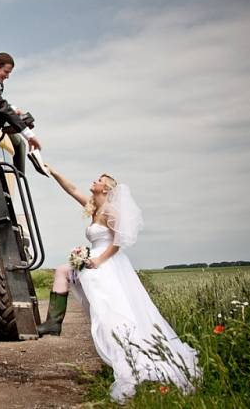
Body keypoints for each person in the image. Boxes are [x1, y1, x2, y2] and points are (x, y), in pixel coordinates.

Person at [39, 165, 201, 403]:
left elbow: (119, 240)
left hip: (106, 264)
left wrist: (98, 260)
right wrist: (50, 170)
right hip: (92, 261)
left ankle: (130, 361)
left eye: (99, 179)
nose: (94, 181)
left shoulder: (110, 211)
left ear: (106, 188)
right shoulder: (93, 206)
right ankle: (53, 323)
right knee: (62, 271)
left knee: (110, 314)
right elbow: (71, 188)